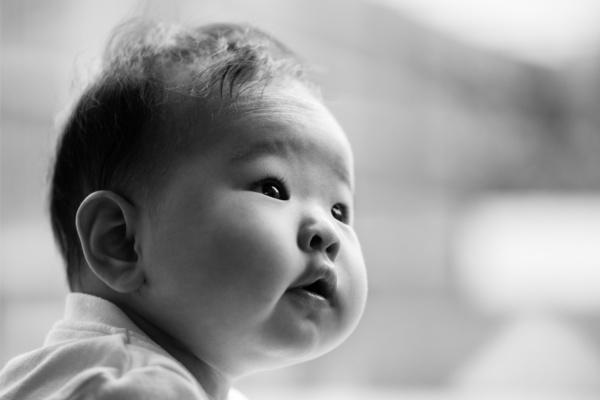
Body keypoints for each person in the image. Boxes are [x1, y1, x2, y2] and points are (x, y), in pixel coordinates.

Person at [0, 19, 368, 400]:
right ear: (121, 242)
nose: (326, 230)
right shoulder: (138, 388)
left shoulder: (91, 374)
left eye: (340, 210)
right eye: (272, 188)